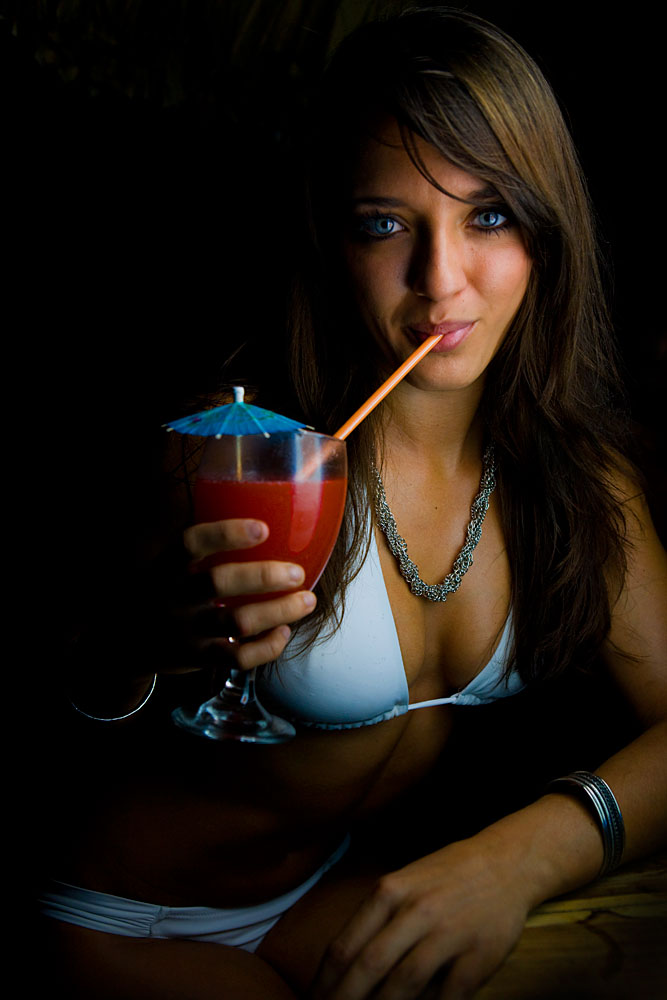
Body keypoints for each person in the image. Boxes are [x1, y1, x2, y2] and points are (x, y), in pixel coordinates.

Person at [38, 8, 666, 999]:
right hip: (121, 917)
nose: (440, 281)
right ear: (332, 240)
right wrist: (132, 647)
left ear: (545, 234)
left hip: (313, 900)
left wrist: (521, 855)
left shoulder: (577, 480)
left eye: (488, 216)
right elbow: (64, 707)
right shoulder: (241, 453)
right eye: (386, 224)